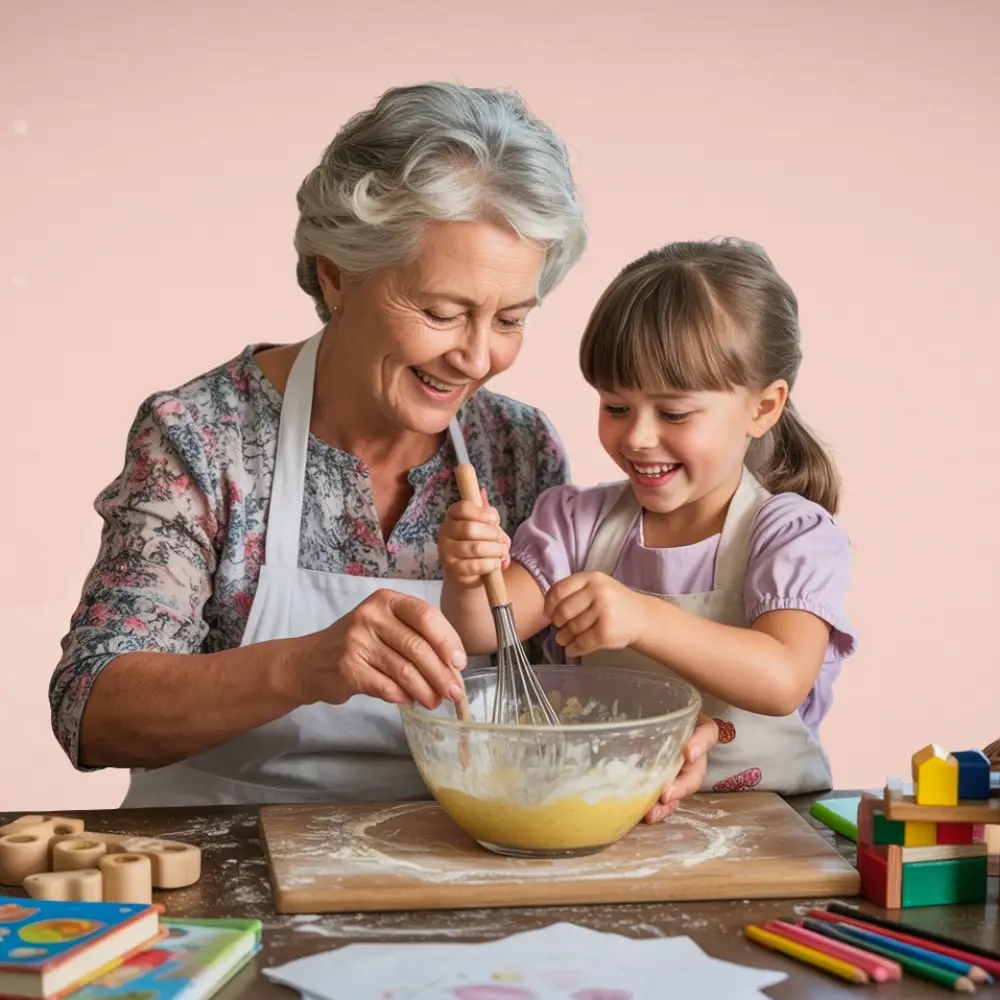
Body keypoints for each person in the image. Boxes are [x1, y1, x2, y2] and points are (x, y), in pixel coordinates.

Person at [49, 82, 720, 811]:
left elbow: (553, 695)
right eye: (441, 312)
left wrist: (660, 741)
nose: (476, 358)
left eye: (510, 320)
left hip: (456, 849)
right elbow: (91, 710)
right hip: (224, 854)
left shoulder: (514, 447)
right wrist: (305, 666)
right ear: (337, 275)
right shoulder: (204, 437)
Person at [440, 237, 858, 795]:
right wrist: (468, 572)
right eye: (616, 407)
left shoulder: (790, 536)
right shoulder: (577, 524)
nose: (637, 437)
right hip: (614, 813)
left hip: (770, 822)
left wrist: (643, 618)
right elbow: (481, 629)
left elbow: (782, 678)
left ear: (763, 408)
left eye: (674, 413)